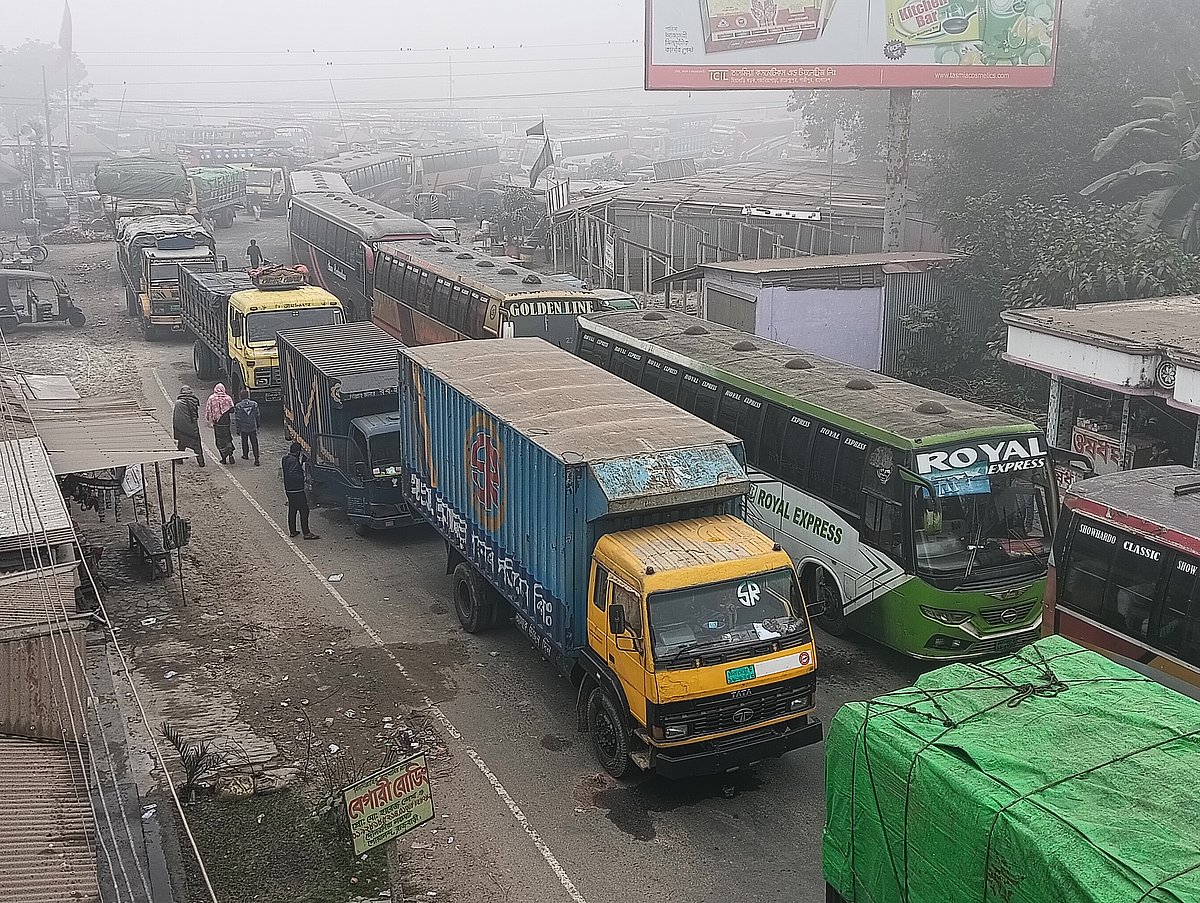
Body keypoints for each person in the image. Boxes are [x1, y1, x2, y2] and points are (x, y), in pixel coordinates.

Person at [282, 442, 318, 540]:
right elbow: (294, 473)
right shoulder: (294, 461)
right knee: (304, 510)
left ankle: (293, 531)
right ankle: (306, 532)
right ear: (297, 452)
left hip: (289, 489)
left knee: (292, 510)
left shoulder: (285, 459)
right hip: (297, 490)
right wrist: (302, 477)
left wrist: (301, 462)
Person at [172, 386, 205, 467]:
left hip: (182, 428)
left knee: (181, 443)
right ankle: (201, 461)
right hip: (192, 427)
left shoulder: (178, 403)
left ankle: (179, 459)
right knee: (197, 445)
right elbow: (195, 415)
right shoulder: (194, 401)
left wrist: (177, 428)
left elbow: (177, 417)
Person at [205, 383, 237, 465]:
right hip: (226, 423)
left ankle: (223, 457)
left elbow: (209, 410)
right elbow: (232, 409)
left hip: (217, 423)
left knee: (219, 440)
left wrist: (211, 419)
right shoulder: (227, 398)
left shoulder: (211, 398)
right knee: (227, 438)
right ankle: (230, 454)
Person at [232, 389, 261, 465]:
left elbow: (237, 418)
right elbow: (257, 415)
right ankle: (256, 458)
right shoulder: (254, 404)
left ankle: (245, 454)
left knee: (244, 441)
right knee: (254, 442)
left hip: (243, 427)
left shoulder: (238, 406)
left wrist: (238, 429)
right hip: (252, 426)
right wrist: (257, 424)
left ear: (240, 396)